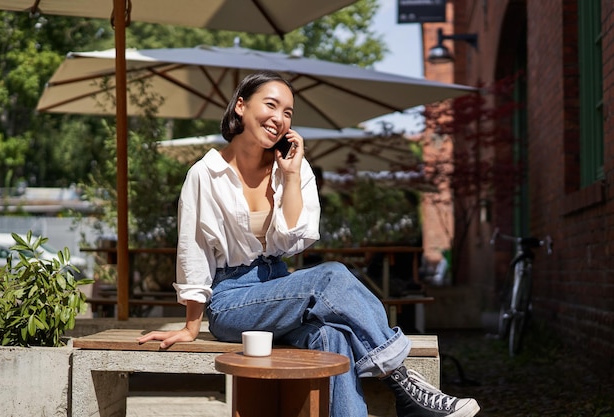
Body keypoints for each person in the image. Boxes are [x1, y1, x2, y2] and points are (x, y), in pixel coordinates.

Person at [138, 70, 480, 417]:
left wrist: (289, 175)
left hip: (281, 290)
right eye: (271, 105)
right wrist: (191, 326)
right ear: (240, 106)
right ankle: (403, 382)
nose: (279, 119)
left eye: (288, 112)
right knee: (330, 276)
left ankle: (400, 398)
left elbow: (293, 241)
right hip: (231, 302)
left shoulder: (293, 168)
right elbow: (192, 250)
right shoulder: (205, 173)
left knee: (333, 336)